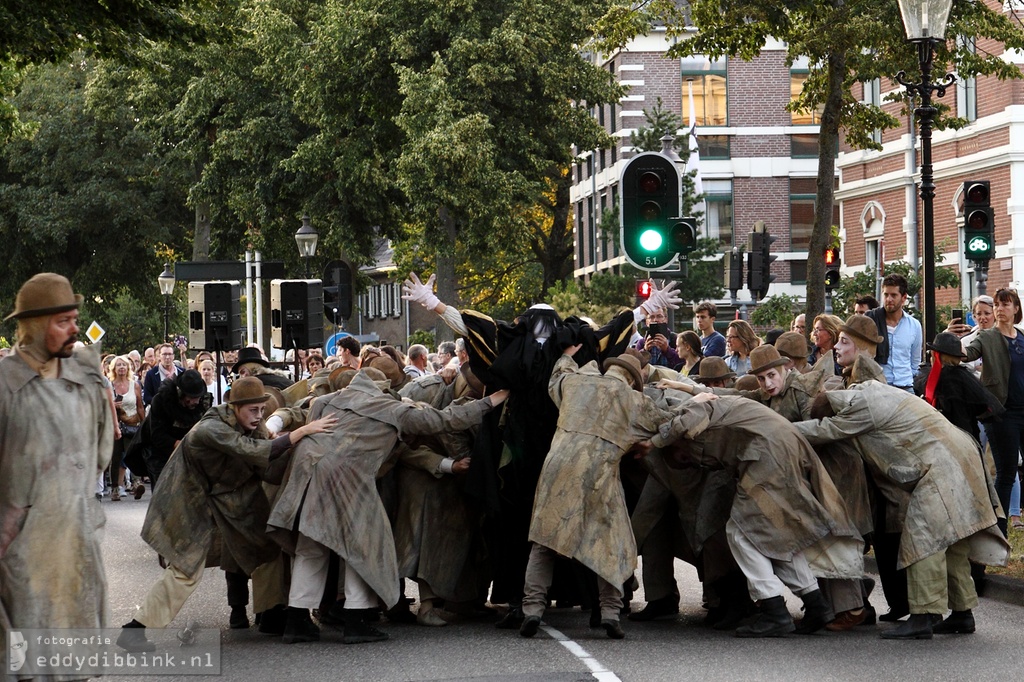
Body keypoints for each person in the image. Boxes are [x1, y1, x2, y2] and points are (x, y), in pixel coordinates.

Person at [402, 271, 679, 628]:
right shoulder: (573, 342)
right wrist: (648, 306)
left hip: (517, 454)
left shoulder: (514, 339)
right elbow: (611, 332)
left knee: (529, 529)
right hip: (571, 447)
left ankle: (525, 602)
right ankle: (599, 604)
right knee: (591, 522)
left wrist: (432, 303)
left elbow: (471, 327)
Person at [267, 369, 510, 645]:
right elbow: (446, 420)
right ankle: (355, 621)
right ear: (383, 387)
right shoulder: (390, 408)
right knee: (363, 548)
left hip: (306, 476)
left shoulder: (328, 400)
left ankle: (296, 621)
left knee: (310, 548)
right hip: (348, 480)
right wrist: (493, 399)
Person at [116, 377, 337, 652]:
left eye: (261, 409)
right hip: (188, 505)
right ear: (235, 407)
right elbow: (254, 451)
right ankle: (135, 630)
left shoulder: (248, 425)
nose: (259, 416)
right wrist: (300, 433)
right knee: (185, 573)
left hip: (221, 507)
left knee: (268, 547)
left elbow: (266, 466)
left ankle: (277, 613)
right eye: (253, 410)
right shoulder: (210, 428)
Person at [797, 383, 1010, 639]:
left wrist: (779, 429)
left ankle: (923, 616)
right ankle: (962, 613)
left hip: (940, 465)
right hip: (959, 453)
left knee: (923, 540)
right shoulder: (873, 391)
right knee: (953, 541)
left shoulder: (861, 409)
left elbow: (826, 430)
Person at [647, 393, 863, 637]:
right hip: (776, 448)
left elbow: (690, 418)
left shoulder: (694, 410)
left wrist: (655, 441)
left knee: (741, 532)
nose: (691, 461)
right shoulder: (717, 413)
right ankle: (816, 605)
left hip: (767, 453)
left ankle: (774, 611)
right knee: (775, 536)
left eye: (683, 457)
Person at [1, 273, 114, 665]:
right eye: (62, 321)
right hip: (21, 550)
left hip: (76, 538)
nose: (74, 328)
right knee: (24, 659)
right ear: (33, 326)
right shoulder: (6, 385)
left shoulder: (82, 378)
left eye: (74, 319)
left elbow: (102, 447)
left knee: (73, 656)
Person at [521, 348, 670, 640]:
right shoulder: (633, 399)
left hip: (557, 469)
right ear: (632, 379)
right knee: (610, 544)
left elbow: (557, 375)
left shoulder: (576, 382)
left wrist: (564, 354)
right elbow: (668, 422)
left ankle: (532, 611)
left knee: (544, 544)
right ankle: (611, 613)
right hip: (599, 474)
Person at [962, 287, 1024, 536]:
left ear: (1016, 309)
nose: (999, 309)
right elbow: (966, 354)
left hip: (1023, 411)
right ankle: (998, 532)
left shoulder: (1021, 338)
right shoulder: (987, 337)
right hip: (1002, 414)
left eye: (1005, 304)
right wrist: (949, 341)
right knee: (1006, 473)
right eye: (997, 304)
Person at [145, 369, 212, 487]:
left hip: (190, 455)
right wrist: (183, 444)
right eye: (191, 397)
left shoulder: (203, 402)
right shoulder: (160, 401)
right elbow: (157, 435)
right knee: (164, 495)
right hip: (161, 454)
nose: (195, 402)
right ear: (181, 393)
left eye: (198, 397)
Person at [864, 273, 922, 391]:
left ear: (904, 298)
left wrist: (908, 378)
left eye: (894, 295)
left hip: (906, 386)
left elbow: (915, 361)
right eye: (886, 295)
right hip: (878, 386)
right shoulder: (871, 320)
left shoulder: (914, 325)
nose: (889, 299)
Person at [108, 355, 146, 500]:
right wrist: (112, 404)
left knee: (133, 454)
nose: (122, 368)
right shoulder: (109, 385)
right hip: (115, 425)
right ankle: (115, 488)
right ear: (114, 368)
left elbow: (140, 407)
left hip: (132, 425)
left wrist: (144, 425)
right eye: (118, 365)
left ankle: (137, 484)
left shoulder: (134, 384)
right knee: (116, 457)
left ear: (128, 368)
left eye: (124, 365)